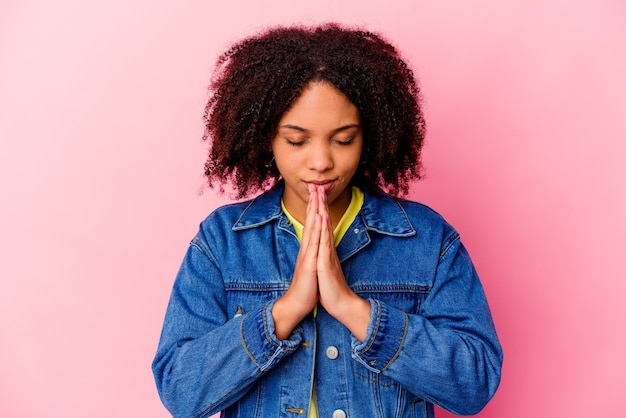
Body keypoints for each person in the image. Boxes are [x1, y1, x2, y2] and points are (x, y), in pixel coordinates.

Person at [152, 23, 502, 418]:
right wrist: (285, 312)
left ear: (370, 136)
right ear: (266, 138)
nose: (321, 162)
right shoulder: (222, 242)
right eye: (297, 141)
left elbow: (475, 383)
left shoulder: (426, 240)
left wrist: (352, 308)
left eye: (343, 139)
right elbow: (180, 391)